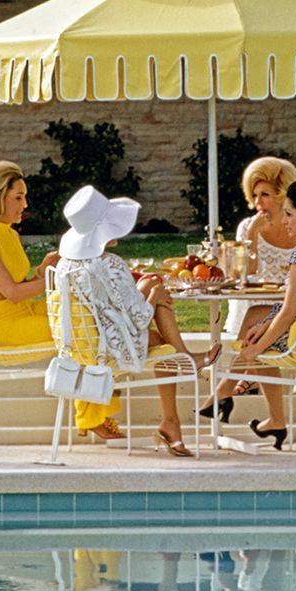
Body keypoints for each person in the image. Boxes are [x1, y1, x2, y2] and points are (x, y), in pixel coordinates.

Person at [56, 184, 215, 456]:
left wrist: (148, 290)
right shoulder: (110, 264)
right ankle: (186, 363)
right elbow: (139, 319)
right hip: (113, 346)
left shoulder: (65, 264)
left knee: (153, 290)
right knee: (162, 326)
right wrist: (153, 296)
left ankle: (173, 414)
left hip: (84, 344)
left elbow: (109, 307)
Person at [0, 160, 113, 431]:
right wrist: (55, 277)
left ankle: (96, 404)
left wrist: (44, 269)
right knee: (81, 330)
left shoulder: (7, 234)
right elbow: (13, 293)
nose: (25, 204)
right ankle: (92, 416)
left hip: (24, 311)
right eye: (18, 197)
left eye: (24, 197)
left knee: (88, 313)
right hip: (3, 326)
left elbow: (21, 285)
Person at [207, 174, 296, 447]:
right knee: (256, 325)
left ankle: (233, 397)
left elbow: (289, 312)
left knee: (256, 343)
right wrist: (263, 328)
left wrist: (254, 349)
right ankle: (266, 417)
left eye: (288, 214)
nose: (284, 220)